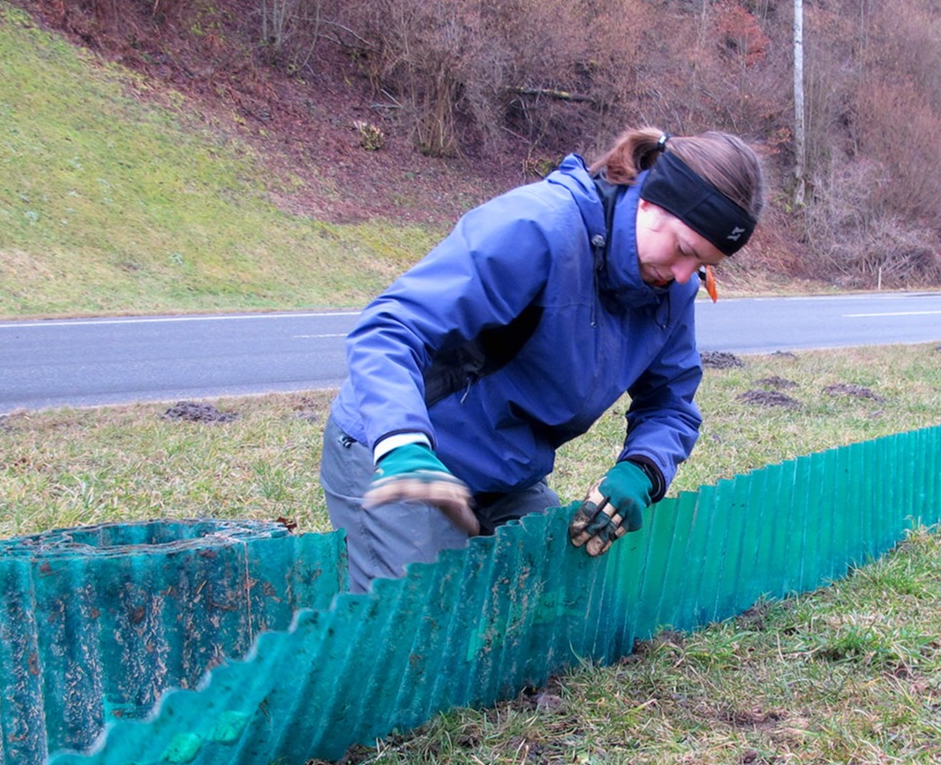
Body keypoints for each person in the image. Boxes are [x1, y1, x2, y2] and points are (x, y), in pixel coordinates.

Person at [320, 127, 767, 594]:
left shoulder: (672, 291)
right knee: (417, 625)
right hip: (401, 454)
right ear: (651, 199)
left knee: (556, 608)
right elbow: (389, 330)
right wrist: (402, 444)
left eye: (700, 265)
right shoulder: (538, 228)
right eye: (683, 250)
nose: (682, 276)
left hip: (505, 474)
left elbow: (670, 404)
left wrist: (641, 468)